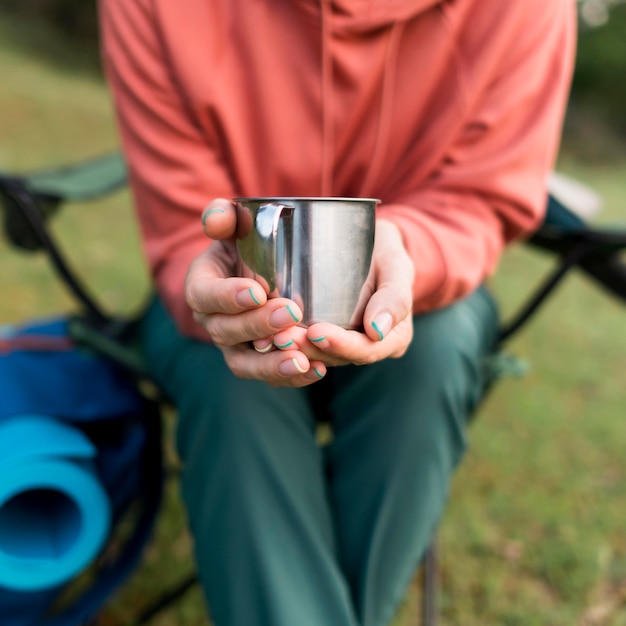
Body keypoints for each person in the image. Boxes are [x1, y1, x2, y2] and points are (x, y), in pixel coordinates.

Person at [98, 0, 575, 624]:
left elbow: (483, 194)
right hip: (216, 296)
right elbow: (184, 207)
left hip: (429, 291)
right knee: (235, 372)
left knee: (431, 352)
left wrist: (406, 255)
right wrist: (220, 280)